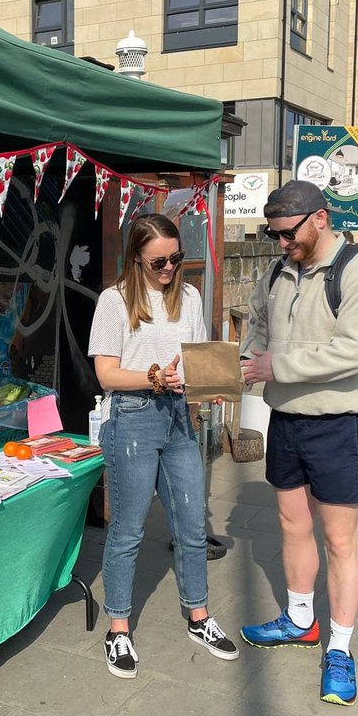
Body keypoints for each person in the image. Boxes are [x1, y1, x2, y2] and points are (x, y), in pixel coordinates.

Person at [238, 181, 358, 707]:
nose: (282, 243)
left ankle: (341, 649)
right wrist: (245, 360)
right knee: (291, 523)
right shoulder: (277, 272)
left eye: (288, 233)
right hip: (286, 418)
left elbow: (355, 351)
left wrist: (276, 366)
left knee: (340, 540)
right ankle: (301, 618)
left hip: (340, 422)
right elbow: (258, 327)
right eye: (274, 235)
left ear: (320, 218)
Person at [87, 213, 238, 679]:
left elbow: (194, 360)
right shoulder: (114, 301)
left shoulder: (188, 296)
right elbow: (106, 374)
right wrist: (154, 377)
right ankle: (118, 627)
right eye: (159, 262)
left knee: (191, 524)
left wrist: (209, 384)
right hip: (133, 418)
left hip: (178, 417)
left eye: (176, 258)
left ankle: (199, 615)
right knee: (128, 528)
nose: (170, 268)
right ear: (136, 258)